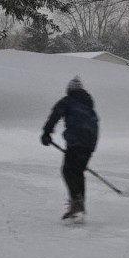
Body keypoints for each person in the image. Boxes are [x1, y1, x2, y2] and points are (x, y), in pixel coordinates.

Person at [41, 76, 99, 219]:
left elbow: (54, 116)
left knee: (68, 171)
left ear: (69, 90)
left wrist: (46, 133)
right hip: (90, 143)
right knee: (77, 172)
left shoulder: (67, 101)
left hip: (76, 141)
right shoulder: (89, 106)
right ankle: (79, 205)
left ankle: (76, 203)